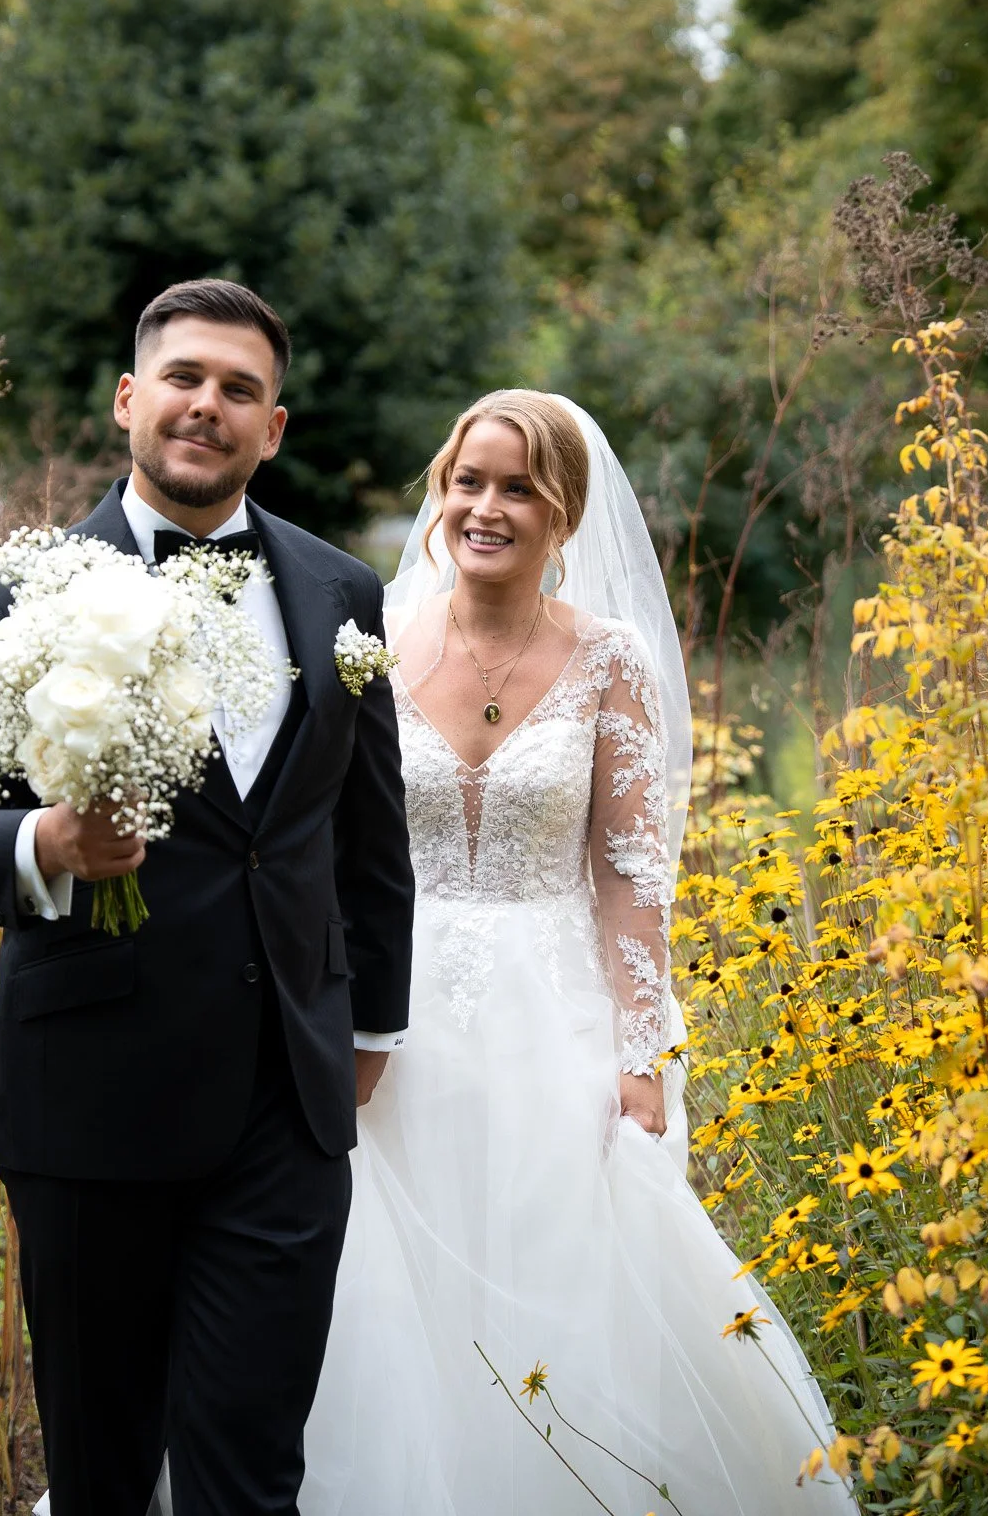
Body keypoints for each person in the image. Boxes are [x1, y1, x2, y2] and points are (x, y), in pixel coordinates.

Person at [0, 279, 414, 1516]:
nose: (206, 406)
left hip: (285, 1105)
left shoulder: (341, 594)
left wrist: (367, 1027)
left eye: (240, 389)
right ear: (130, 398)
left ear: (273, 428)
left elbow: (369, 838)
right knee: (105, 1470)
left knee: (248, 1469)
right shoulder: (25, 590)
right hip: (89, 1105)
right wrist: (46, 841)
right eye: (184, 378)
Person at [301, 390, 851, 1516]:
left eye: (516, 487)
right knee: (375, 1286)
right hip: (388, 1020)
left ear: (564, 511)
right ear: (439, 492)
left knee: (559, 1274)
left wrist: (642, 1051)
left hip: (551, 1016)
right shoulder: (374, 637)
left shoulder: (611, 658)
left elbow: (632, 871)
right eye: (467, 480)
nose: (484, 507)